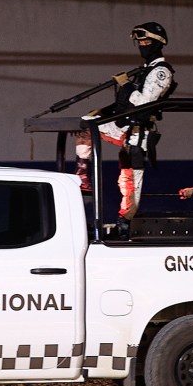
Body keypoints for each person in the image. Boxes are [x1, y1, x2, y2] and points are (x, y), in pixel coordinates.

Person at [75, 21, 176, 235]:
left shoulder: (161, 72)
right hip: (123, 125)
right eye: (139, 42)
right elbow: (125, 103)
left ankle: (125, 222)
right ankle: (83, 173)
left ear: (159, 43)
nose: (142, 45)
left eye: (147, 41)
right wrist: (102, 112)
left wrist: (126, 84)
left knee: (130, 183)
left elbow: (144, 103)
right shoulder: (143, 71)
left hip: (138, 132)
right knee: (85, 124)